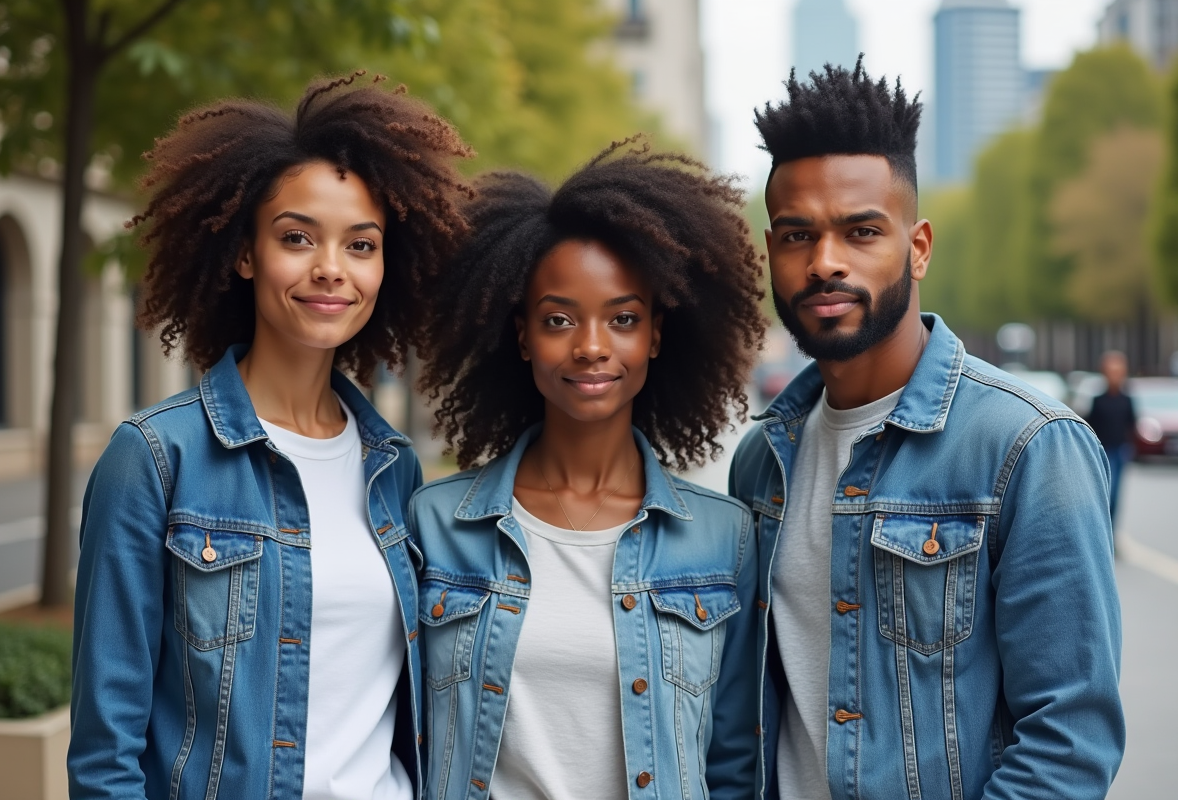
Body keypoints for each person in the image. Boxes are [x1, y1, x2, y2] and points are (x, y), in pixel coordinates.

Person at [729, 60, 1125, 800]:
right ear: (770, 254)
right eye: (796, 236)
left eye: (861, 231)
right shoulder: (760, 465)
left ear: (918, 247)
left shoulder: (1027, 447)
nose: (825, 263)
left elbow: (1069, 743)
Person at [69, 73, 472, 799]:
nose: (330, 269)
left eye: (361, 244)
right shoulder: (157, 460)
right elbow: (106, 752)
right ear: (246, 253)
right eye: (297, 237)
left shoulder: (394, 468)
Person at [411, 139, 768, 800]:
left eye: (623, 319)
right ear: (522, 335)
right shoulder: (434, 525)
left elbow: (734, 762)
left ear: (656, 334)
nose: (592, 347)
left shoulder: (726, 537)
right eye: (558, 320)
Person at [1086, 350, 1136, 525]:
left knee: (1115, 494)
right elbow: (1092, 425)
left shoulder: (1127, 399)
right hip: (1103, 449)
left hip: (1120, 450)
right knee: (1104, 491)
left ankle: (1112, 530)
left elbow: (1132, 424)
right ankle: (1102, 527)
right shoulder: (1098, 400)